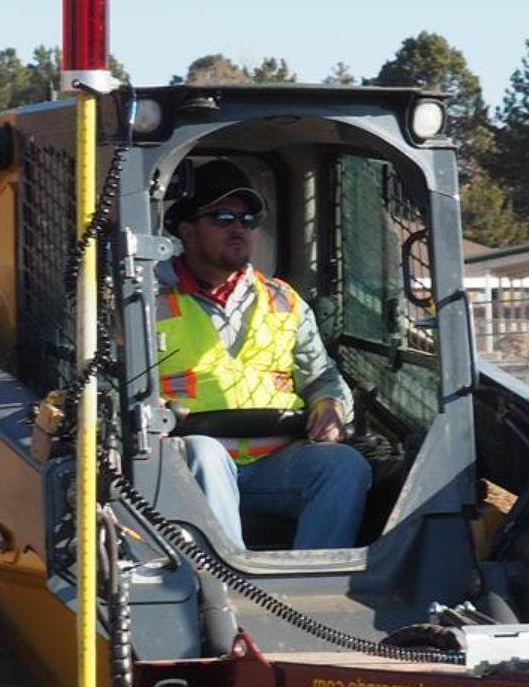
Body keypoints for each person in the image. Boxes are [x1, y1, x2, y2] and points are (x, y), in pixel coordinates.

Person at [156, 160, 371, 550]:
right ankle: (228, 587)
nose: (238, 228)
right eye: (222, 217)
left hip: (276, 463)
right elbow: (112, 382)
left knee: (343, 465)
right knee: (204, 452)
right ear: (186, 230)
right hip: (187, 467)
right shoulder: (144, 301)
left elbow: (321, 375)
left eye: (248, 218)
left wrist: (330, 404)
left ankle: (310, 593)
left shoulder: (284, 299)